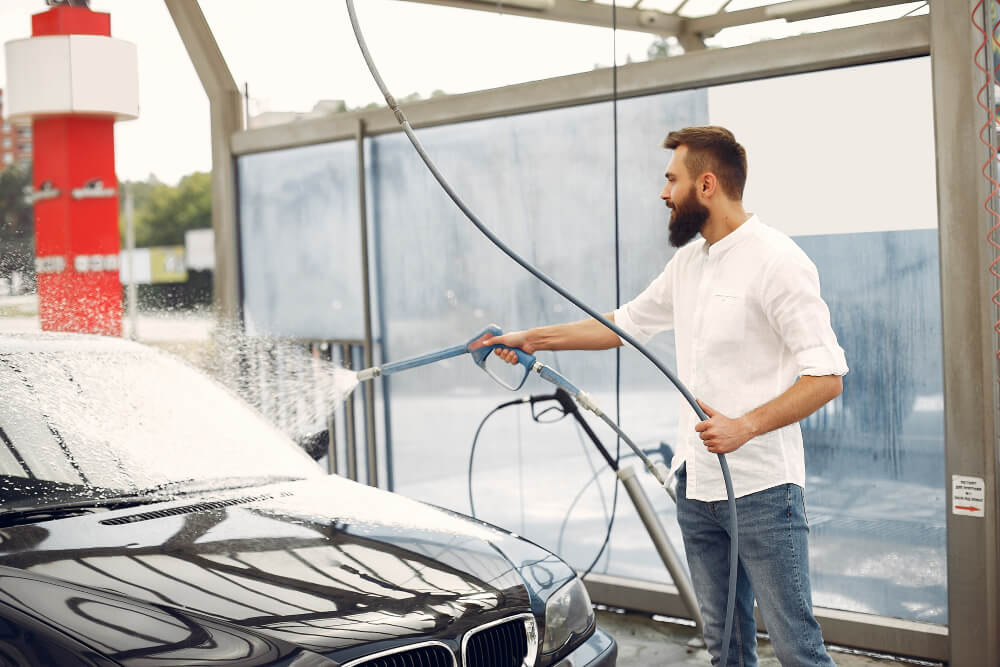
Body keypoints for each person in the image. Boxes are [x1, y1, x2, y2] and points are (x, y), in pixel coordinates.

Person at [478, 126, 847, 666]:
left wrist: (744, 426)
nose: (662, 192)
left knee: (797, 649)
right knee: (726, 647)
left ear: (706, 185)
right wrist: (529, 338)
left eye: (671, 179)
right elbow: (622, 325)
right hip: (696, 491)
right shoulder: (690, 264)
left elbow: (827, 376)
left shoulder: (778, 261)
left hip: (765, 492)